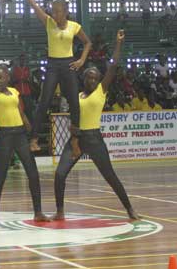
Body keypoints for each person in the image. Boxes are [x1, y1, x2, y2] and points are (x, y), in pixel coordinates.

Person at [53, 30, 139, 221]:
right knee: (59, 175)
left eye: (95, 77)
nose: (91, 79)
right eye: (88, 77)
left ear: (99, 81)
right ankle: (60, 211)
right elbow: (73, 121)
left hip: (94, 139)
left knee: (110, 176)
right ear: (83, 79)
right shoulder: (76, 97)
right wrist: (74, 140)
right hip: (77, 139)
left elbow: (113, 65)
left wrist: (118, 43)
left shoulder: (101, 91)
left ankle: (130, 209)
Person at [0, 31, 49, 225]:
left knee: (32, 172)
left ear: (8, 77)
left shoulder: (15, 91)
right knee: (0, 175)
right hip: (5, 136)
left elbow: (21, 113)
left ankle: (38, 212)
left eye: (2, 76)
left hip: (20, 134)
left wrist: (30, 130)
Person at [15, 0, 92, 159]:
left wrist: (81, 60)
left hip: (68, 65)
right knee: (44, 101)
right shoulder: (48, 22)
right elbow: (33, 3)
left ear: (65, 11)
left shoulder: (74, 26)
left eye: (58, 11)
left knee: (74, 102)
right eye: (53, 11)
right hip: (52, 65)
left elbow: (87, 43)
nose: (55, 14)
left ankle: (75, 140)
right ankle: (33, 139)